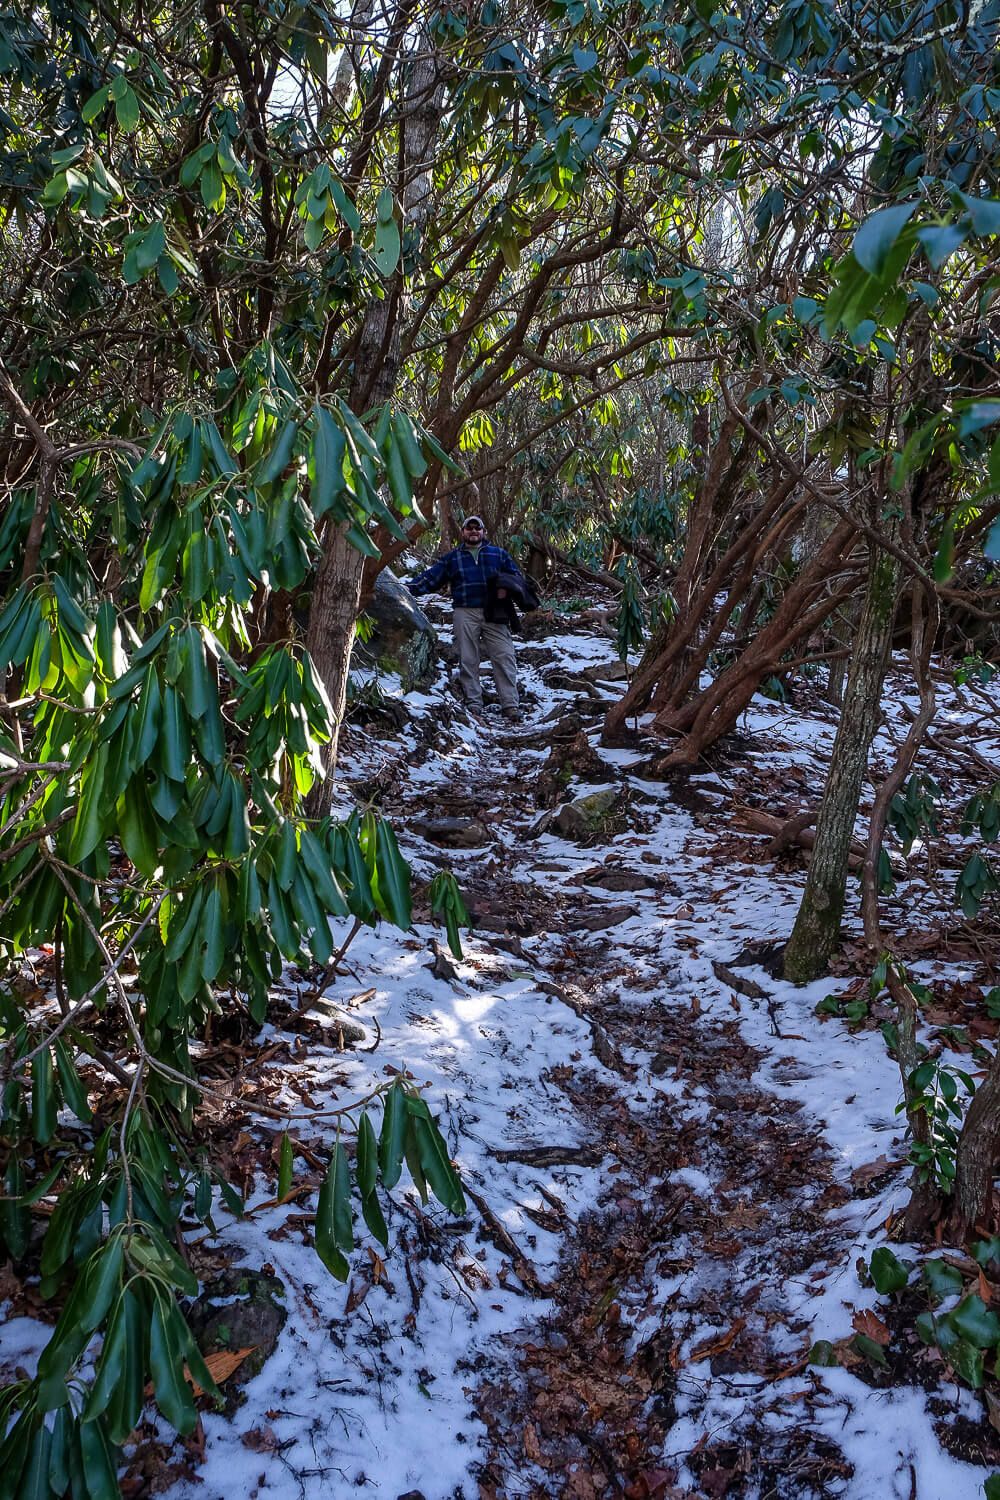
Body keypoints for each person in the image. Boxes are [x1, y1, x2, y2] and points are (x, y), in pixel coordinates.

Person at [407, 515, 529, 722]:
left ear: (483, 532)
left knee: (504, 656)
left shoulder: (498, 554)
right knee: (468, 658)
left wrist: (505, 588)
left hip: (495, 612)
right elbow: (431, 578)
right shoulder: (453, 558)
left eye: (477, 528)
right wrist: (406, 590)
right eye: (469, 528)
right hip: (464, 612)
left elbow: (516, 578)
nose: (473, 531)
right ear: (462, 532)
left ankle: (510, 705)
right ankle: (474, 703)